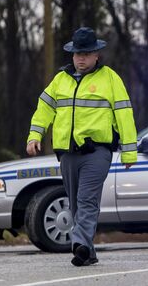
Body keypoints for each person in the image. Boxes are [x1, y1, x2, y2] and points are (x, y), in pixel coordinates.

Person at [25, 27, 137, 266]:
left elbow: (124, 115)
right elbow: (44, 109)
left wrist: (129, 152)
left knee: (86, 199)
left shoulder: (110, 78)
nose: (81, 58)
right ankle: (89, 252)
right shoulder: (60, 80)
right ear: (72, 55)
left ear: (97, 54)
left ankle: (79, 245)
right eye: (77, 54)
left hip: (97, 152)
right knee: (76, 203)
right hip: (67, 154)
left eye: (86, 53)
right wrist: (35, 135)